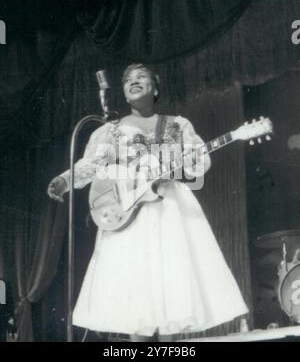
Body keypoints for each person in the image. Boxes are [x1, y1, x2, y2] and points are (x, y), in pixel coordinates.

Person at [47, 63, 248, 342]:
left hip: (170, 213)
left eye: (141, 76)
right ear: (125, 94)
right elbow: (90, 166)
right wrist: (65, 180)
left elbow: (199, 165)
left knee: (172, 290)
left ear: (155, 87)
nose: (133, 81)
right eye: (128, 79)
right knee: (136, 300)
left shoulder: (178, 125)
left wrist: (189, 163)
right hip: (129, 215)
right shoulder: (109, 131)